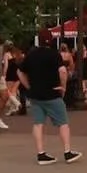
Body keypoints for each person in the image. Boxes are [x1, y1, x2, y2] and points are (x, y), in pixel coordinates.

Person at [22, 28, 80, 164]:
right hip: (52, 93)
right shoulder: (54, 55)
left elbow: (20, 72)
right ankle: (67, 152)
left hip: (36, 95)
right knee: (63, 123)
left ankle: (41, 153)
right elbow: (63, 71)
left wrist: (28, 86)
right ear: (51, 40)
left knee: (38, 123)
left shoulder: (31, 55)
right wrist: (63, 87)